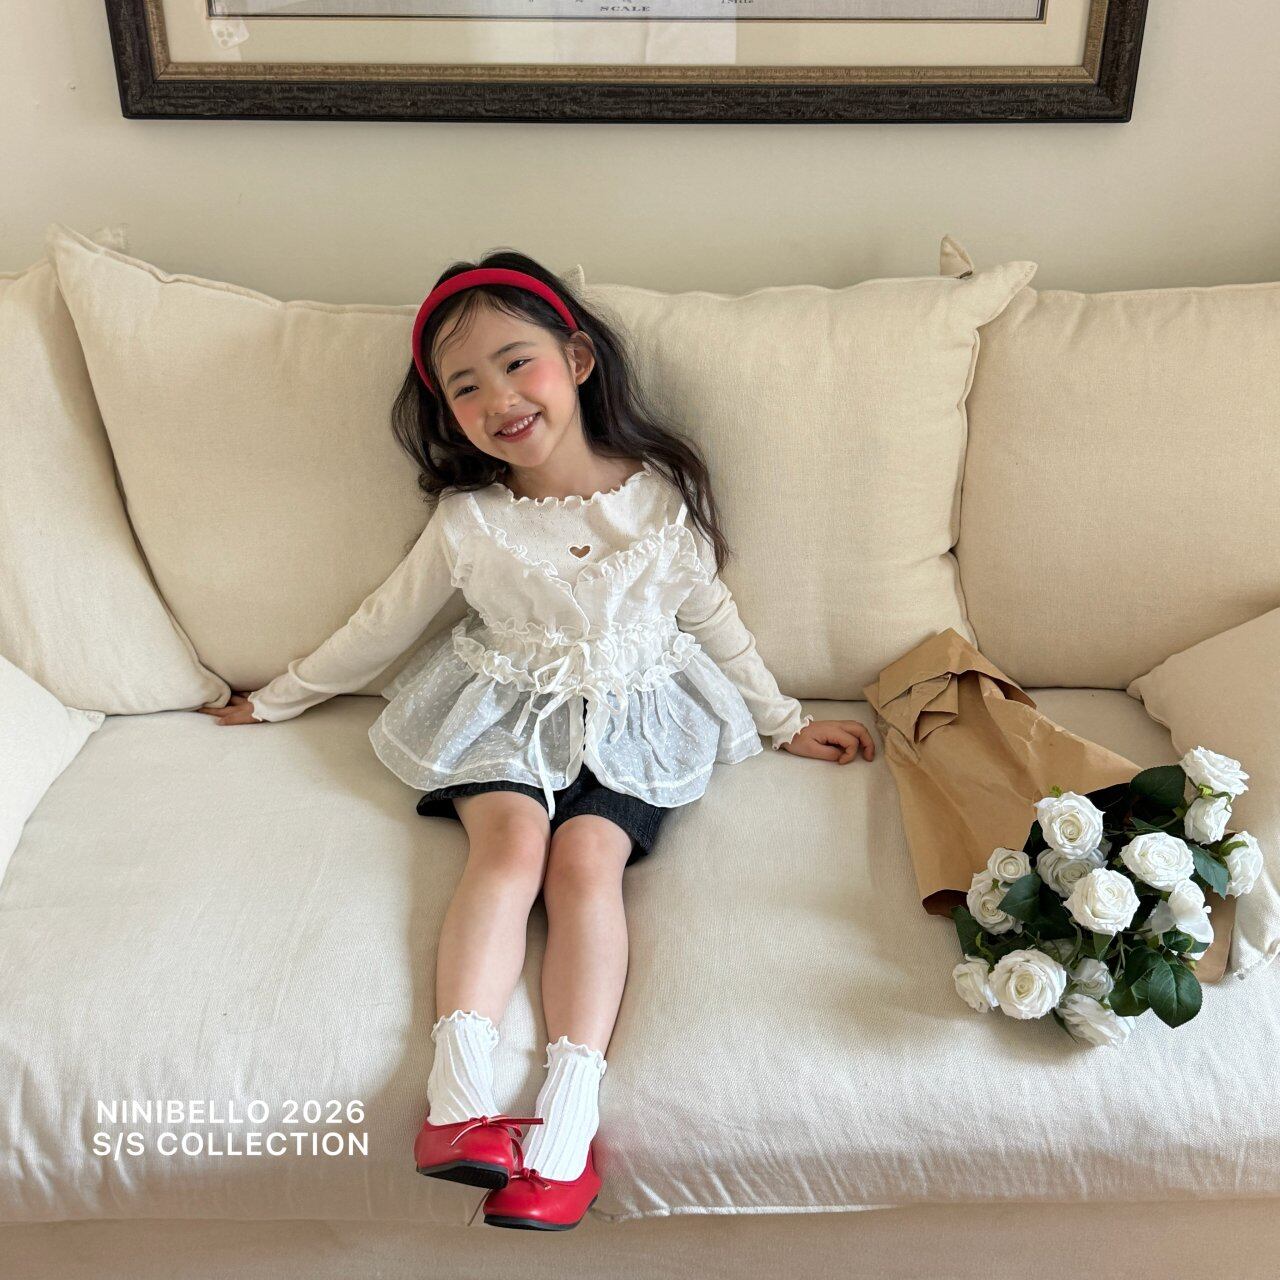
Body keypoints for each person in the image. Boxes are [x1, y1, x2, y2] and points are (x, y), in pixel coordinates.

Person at [198, 253, 876, 1231]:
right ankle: (457, 1105)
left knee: (586, 861)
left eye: (517, 364)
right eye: (465, 385)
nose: (500, 399)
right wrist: (275, 700)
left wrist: (785, 720)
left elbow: (712, 617)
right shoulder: (470, 520)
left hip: (638, 714)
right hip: (503, 707)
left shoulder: (660, 499)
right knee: (511, 847)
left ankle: (567, 1123)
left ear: (577, 360)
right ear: (446, 411)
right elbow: (382, 624)